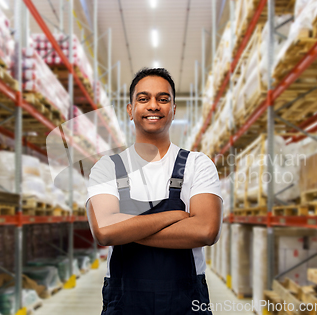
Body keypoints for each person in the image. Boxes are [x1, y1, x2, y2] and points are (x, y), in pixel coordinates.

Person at [86, 68, 223, 314]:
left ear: (173, 109)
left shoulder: (197, 164)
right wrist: (174, 216)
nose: (153, 105)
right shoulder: (107, 167)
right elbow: (105, 232)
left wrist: (124, 227)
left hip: (186, 300)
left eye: (163, 99)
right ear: (130, 110)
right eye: (143, 98)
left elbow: (206, 230)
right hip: (124, 300)